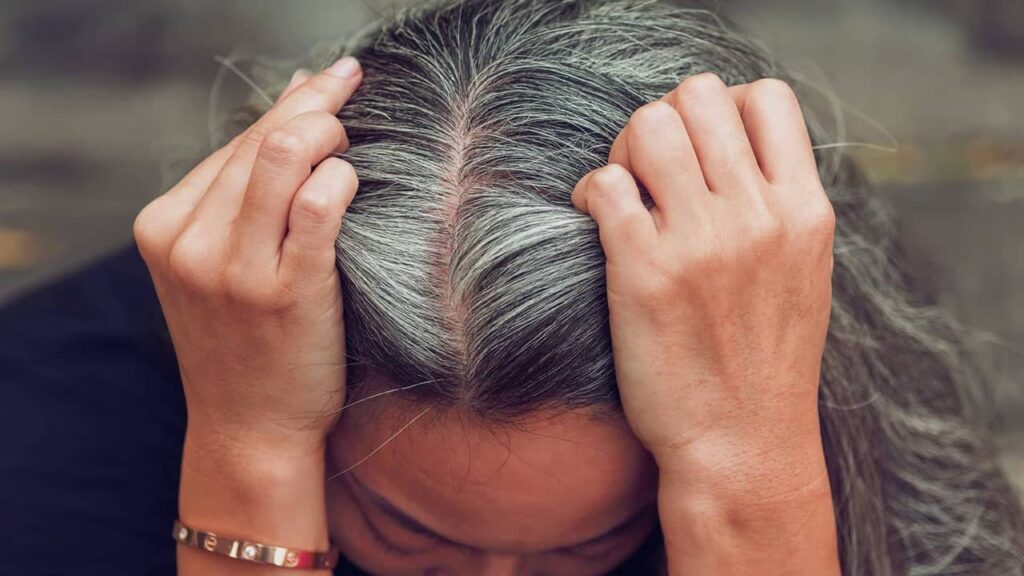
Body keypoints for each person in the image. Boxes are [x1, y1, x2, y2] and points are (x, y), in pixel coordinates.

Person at [2, 0, 1022, 574]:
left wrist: (744, 475)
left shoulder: (818, 425)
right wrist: (248, 455)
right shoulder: (42, 438)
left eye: (594, 549)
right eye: (412, 536)